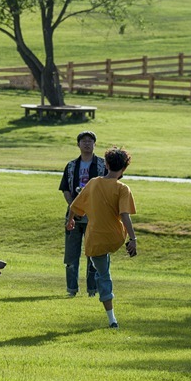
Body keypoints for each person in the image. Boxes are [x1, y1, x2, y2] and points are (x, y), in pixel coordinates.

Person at [69, 147, 137, 328]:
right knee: (104, 264)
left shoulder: (93, 183)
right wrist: (133, 239)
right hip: (116, 237)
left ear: (106, 164)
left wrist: (70, 222)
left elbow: (75, 207)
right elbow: (125, 215)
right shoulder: (123, 188)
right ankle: (103, 268)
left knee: (103, 275)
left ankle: (112, 319)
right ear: (124, 169)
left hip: (96, 238)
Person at [59, 130, 106, 297]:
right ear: (78, 144)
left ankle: (92, 291)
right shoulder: (71, 166)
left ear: (95, 144)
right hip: (73, 215)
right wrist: (74, 206)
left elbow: (111, 184)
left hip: (95, 215)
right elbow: (65, 188)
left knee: (93, 255)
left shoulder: (102, 165)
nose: (87, 144)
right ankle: (71, 290)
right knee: (71, 257)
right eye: (83, 141)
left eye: (90, 141)